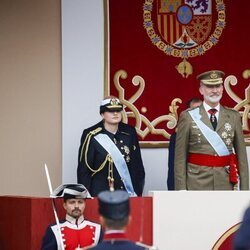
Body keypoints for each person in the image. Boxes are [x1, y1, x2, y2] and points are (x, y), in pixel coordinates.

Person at [174, 70, 249, 190]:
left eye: (218, 86)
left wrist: (246, 191)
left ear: (222, 88)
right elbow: (179, 158)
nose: (215, 90)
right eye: (209, 86)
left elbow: (242, 158)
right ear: (201, 90)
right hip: (196, 183)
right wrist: (181, 189)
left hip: (225, 183)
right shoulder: (188, 117)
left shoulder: (233, 116)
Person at [77, 96, 145, 197]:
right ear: (102, 114)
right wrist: (86, 197)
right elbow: (84, 171)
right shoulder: (91, 134)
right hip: (99, 195)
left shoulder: (129, 132)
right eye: (110, 111)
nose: (115, 113)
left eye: (118, 110)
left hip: (126, 193)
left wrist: (137, 193)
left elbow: (137, 166)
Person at [41, 184, 102, 250]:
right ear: (65, 205)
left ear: (85, 204)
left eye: (80, 202)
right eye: (72, 202)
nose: (76, 206)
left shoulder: (97, 229)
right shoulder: (54, 229)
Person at [167, 98, 202, 190]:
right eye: (194, 110)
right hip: (188, 184)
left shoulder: (213, 134)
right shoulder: (177, 136)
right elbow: (173, 167)